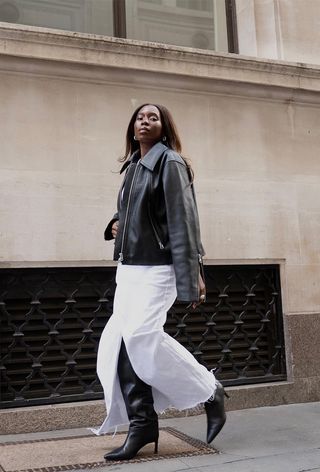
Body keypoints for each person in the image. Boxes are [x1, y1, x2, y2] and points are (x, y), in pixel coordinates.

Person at [93, 103, 228, 461]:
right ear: (132, 126)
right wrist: (113, 226)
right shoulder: (134, 165)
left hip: (159, 269)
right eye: (140, 117)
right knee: (121, 342)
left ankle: (209, 389)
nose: (145, 121)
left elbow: (184, 221)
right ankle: (143, 424)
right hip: (131, 267)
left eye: (153, 117)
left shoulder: (170, 163)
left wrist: (193, 273)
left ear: (164, 127)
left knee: (140, 335)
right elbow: (131, 212)